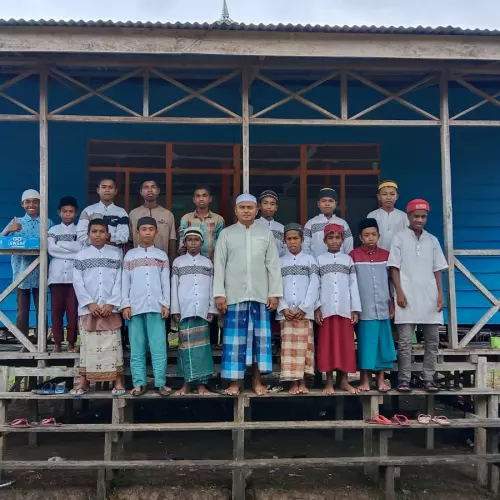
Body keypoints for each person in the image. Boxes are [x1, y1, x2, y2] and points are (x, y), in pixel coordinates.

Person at [214, 193, 283, 395]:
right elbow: (219, 265)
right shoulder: (226, 234)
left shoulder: (265, 234)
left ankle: (256, 380)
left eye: (250, 208)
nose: (246, 211)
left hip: (260, 297)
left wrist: (274, 293)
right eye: (242, 207)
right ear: (236, 210)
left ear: (256, 210)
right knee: (236, 342)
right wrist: (219, 294)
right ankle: (235, 383)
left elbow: (273, 265)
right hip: (234, 297)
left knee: (258, 343)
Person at [388, 199, 448, 394]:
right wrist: (399, 292)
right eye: (416, 216)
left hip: (430, 297)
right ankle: (404, 380)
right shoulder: (399, 238)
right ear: (409, 217)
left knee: (432, 341)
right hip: (406, 296)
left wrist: (440, 294)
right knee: (405, 342)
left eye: (423, 217)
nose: (419, 220)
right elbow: (394, 268)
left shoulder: (432, 240)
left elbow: (438, 269)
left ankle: (429, 378)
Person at [71, 219, 125, 396]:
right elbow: (78, 283)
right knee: (89, 346)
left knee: (113, 347)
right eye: (94, 231)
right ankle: (84, 382)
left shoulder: (116, 255)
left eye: (102, 231)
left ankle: (117, 381)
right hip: (89, 309)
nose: (98, 234)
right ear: (88, 235)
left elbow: (120, 280)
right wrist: (90, 303)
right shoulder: (81, 256)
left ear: (108, 235)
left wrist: (111, 302)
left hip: (111, 308)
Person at [121, 217, 171, 397]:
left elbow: (166, 282)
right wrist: (125, 304)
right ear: (137, 232)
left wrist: (166, 303)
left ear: (156, 232)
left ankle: (161, 383)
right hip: (135, 307)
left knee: (158, 347)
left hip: (156, 307)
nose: (147, 232)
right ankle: (139, 383)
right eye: (144, 229)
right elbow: (124, 282)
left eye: (151, 229)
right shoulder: (130, 256)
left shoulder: (161, 255)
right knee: (137, 347)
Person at [1, 189, 54, 349]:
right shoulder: (16, 222)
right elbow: (1, 240)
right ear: (22, 204)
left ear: (40, 203)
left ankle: (41, 341)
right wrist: (10, 230)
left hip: (40, 272)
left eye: (35, 201)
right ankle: (22, 341)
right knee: (22, 310)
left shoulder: (47, 222)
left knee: (41, 309)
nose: (32, 205)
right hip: (21, 273)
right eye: (28, 201)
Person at [350, 218, 396, 392]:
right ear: (360, 237)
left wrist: (392, 302)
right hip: (364, 308)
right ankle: (364, 380)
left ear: (379, 236)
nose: (370, 238)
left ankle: (381, 380)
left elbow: (391, 281)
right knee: (366, 345)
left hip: (383, 306)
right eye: (366, 235)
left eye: (374, 235)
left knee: (382, 344)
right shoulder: (353, 256)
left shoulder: (386, 255)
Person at [315, 224, 361, 394]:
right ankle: (328, 382)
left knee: (345, 345)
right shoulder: (319, 260)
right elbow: (316, 286)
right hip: (326, 310)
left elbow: (353, 285)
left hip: (344, 308)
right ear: (325, 240)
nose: (334, 241)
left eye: (337, 237)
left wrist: (355, 309)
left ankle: (344, 380)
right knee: (327, 346)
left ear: (343, 240)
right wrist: (317, 307)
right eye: (330, 237)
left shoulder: (348, 260)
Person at [171, 227, 217, 395]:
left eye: (196, 240)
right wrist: (175, 310)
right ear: (184, 242)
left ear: (202, 243)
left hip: (203, 310)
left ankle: (202, 384)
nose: (192, 243)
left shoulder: (207, 263)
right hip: (185, 310)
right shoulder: (178, 262)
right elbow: (173, 287)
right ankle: (187, 383)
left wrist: (211, 309)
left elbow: (212, 287)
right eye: (189, 240)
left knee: (202, 349)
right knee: (185, 348)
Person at [277, 223, 318, 394]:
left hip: (304, 313)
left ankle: (302, 382)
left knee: (304, 349)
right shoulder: (279, 262)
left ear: (302, 239)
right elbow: (275, 286)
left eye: (296, 238)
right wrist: (283, 307)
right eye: (289, 239)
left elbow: (315, 284)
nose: (292, 242)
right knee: (289, 350)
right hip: (287, 314)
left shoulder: (310, 260)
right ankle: (293, 383)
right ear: (284, 241)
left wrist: (305, 307)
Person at [48, 196, 82, 353]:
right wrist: (71, 250)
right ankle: (57, 343)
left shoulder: (79, 230)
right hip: (56, 277)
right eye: (65, 211)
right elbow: (51, 249)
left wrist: (60, 245)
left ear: (76, 213)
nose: (68, 214)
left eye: (71, 211)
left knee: (72, 311)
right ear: (59, 212)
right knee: (56, 311)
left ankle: (71, 343)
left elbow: (81, 249)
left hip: (74, 278)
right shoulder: (53, 230)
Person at [129, 180, 177, 265]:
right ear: (141, 192)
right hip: (138, 261)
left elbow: (172, 241)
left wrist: (171, 264)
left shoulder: (167, 214)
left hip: (161, 261)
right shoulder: (133, 214)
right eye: (146, 187)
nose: (150, 190)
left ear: (158, 191)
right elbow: (130, 241)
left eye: (153, 187)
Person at [77, 178, 129, 254]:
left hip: (113, 254)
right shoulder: (88, 211)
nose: (107, 190)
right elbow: (81, 236)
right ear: (98, 190)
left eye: (110, 187)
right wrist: (109, 238)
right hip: (90, 254)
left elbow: (124, 237)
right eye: (104, 187)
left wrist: (98, 237)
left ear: (115, 191)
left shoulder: (121, 213)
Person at [178, 186, 225, 261]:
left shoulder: (218, 219)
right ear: (194, 199)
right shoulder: (186, 219)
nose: (201, 199)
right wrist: (184, 260)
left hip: (213, 261)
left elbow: (222, 243)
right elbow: (182, 243)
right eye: (198, 196)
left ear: (210, 199)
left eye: (204, 195)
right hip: (191, 262)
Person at [304, 188, 353, 257]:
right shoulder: (311, 223)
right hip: (316, 264)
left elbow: (349, 247)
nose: (327, 204)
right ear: (318, 204)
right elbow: (305, 247)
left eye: (330, 201)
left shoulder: (342, 223)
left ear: (335, 204)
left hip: (339, 264)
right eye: (323, 201)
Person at [367, 180, 408, 251]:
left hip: (399, 254)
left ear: (397, 197)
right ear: (379, 197)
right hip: (377, 255)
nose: (388, 197)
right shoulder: (372, 216)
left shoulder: (403, 216)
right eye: (384, 194)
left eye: (392, 194)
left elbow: (407, 237)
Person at [255, 190, 286, 257]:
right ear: (259, 206)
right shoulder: (253, 225)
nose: (269, 207)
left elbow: (285, 250)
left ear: (276, 208)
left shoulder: (282, 228)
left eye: (272, 204)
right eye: (265, 203)